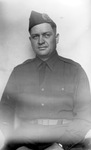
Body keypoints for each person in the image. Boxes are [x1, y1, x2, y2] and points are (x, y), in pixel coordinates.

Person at [0, 10, 91, 150]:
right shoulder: (19, 72)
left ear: (57, 38)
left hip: (65, 142)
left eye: (46, 35)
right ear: (30, 40)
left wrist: (61, 145)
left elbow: (85, 116)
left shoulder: (75, 71)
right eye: (35, 36)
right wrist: (16, 142)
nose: (41, 41)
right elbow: (4, 112)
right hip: (26, 143)